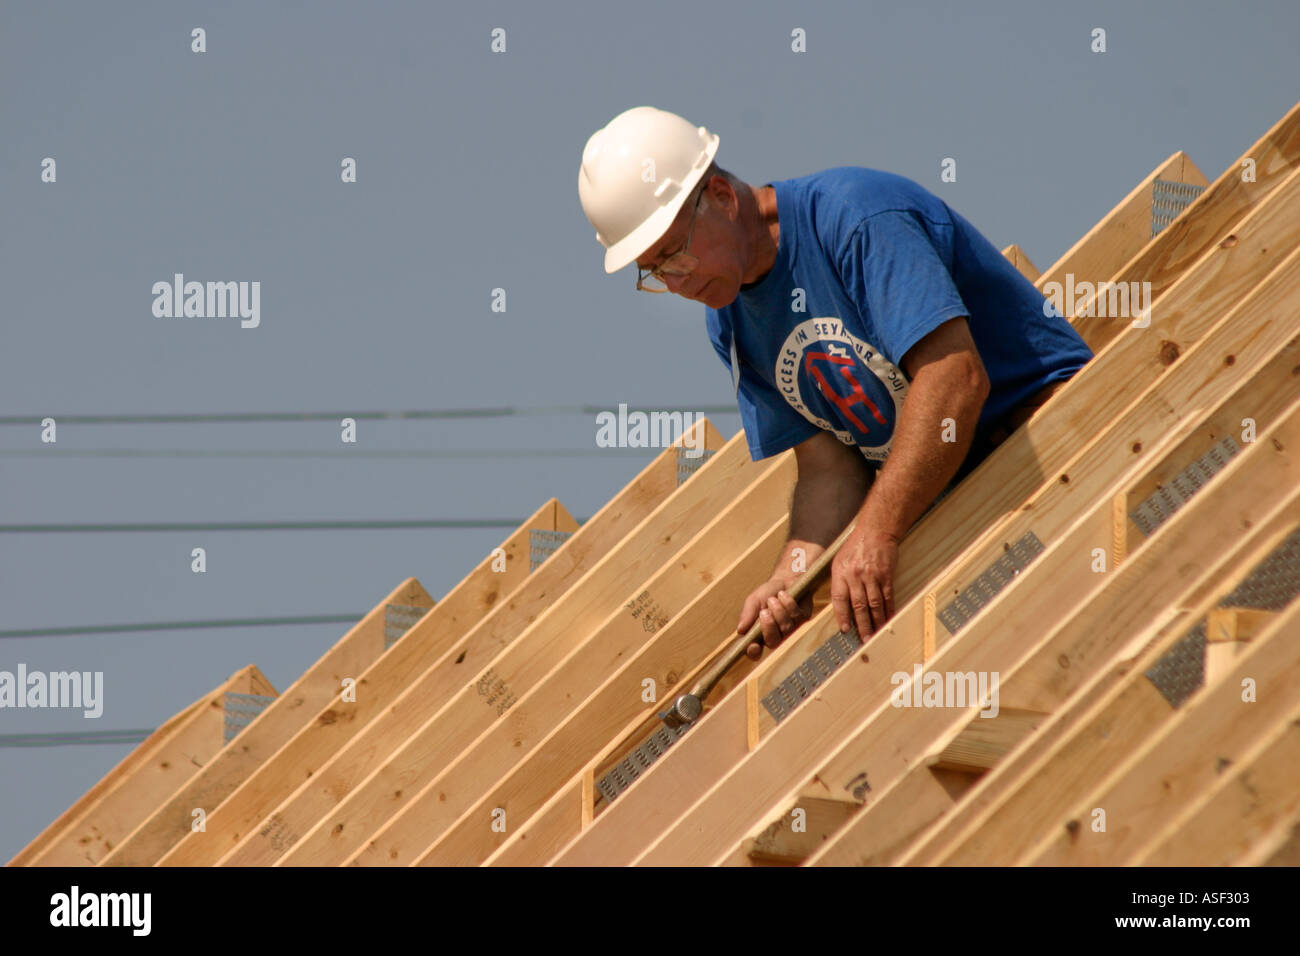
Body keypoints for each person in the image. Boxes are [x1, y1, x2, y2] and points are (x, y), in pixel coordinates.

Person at [578, 106, 1092, 655]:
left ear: (723, 198)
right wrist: (790, 578)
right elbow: (830, 469)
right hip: (952, 502)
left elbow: (954, 381)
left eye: (675, 254)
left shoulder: (855, 216)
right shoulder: (729, 323)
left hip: (1052, 446)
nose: (677, 284)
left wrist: (877, 531)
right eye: (656, 272)